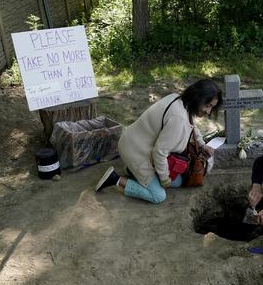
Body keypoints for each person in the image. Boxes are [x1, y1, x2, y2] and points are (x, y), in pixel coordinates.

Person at [95, 79, 223, 203]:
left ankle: (133, 170)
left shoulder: (178, 99)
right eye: (208, 105)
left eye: (212, 107)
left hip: (134, 142)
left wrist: (202, 144)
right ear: (198, 97)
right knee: (158, 195)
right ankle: (115, 179)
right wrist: (164, 179)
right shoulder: (179, 118)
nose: (208, 111)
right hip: (135, 151)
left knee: (177, 181)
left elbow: (191, 125)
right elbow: (160, 152)